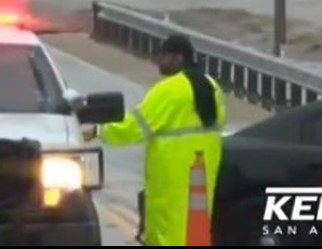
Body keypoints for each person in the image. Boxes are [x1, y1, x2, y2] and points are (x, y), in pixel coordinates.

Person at [90, 34, 226, 246]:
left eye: (164, 56)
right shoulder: (212, 87)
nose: (159, 61)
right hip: (203, 172)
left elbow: (134, 127)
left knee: (168, 230)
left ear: (178, 58)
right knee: (196, 230)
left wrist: (99, 130)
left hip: (171, 176)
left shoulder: (168, 90)